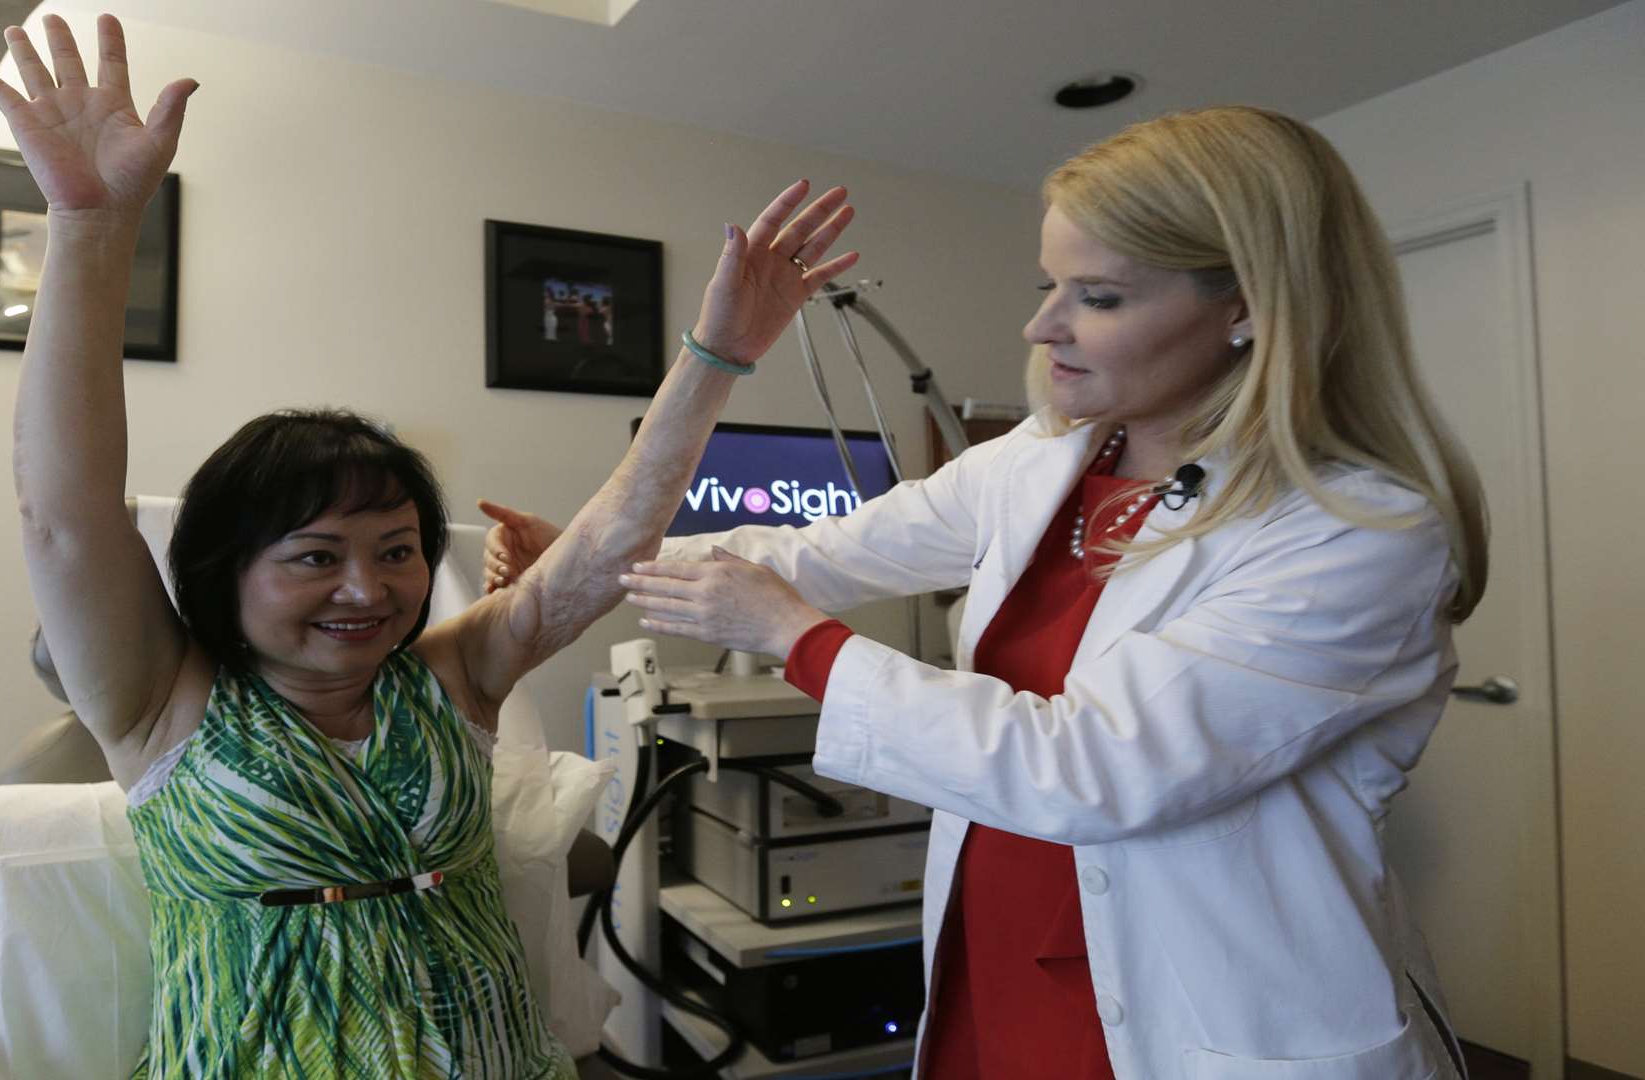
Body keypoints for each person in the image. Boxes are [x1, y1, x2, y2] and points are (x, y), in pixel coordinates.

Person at [482, 105, 1486, 1079]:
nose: (1042, 325)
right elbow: (818, 555)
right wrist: (577, 558)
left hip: (1208, 1001)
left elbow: (1095, 766)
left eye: (1098, 297)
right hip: (997, 951)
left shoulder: (1357, 532)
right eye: (1050, 284)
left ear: (1250, 309)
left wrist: (803, 642)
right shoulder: (1048, 457)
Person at [0, 15, 857, 1079]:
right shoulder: (163, 705)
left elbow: (617, 534)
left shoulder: (452, 673)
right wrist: (90, 225)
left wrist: (716, 355)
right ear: (222, 572)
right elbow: (63, 515)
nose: (369, 588)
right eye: (314, 555)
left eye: (396, 550)